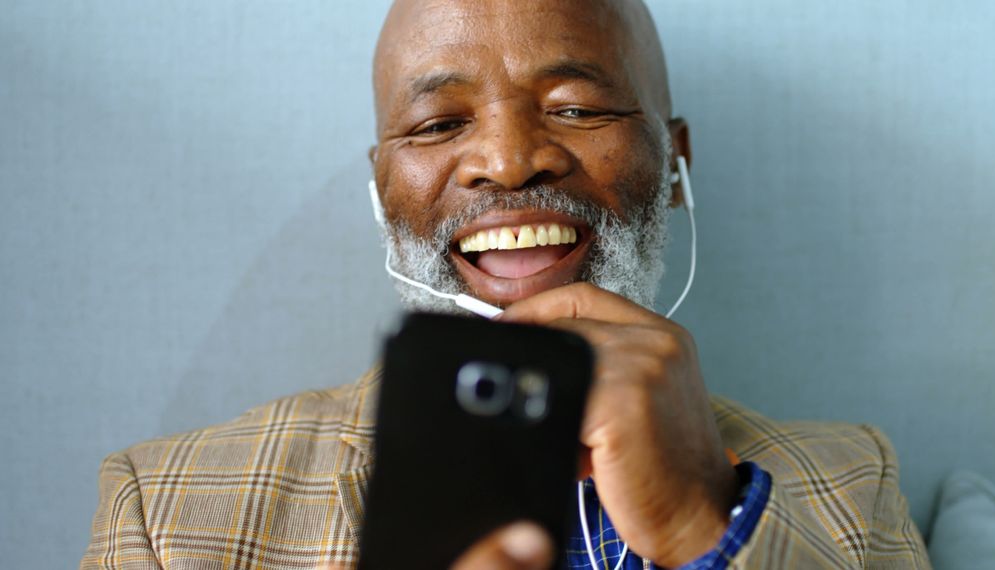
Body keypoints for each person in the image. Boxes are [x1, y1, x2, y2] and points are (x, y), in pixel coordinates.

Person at [83, 0, 930, 568]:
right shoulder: (165, 509)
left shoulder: (852, 483)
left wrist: (700, 531)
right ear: (383, 195)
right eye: (440, 123)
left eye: (575, 107)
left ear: (673, 163)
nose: (508, 160)